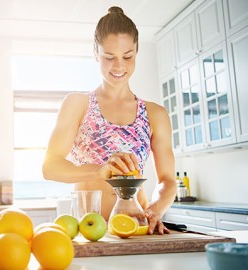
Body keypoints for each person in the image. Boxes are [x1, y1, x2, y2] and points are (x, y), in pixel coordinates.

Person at [42, 6, 177, 234]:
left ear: (136, 52)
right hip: (89, 231)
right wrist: (99, 171)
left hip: (137, 229)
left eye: (128, 56)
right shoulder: (78, 104)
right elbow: (50, 167)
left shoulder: (155, 114)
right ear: (96, 53)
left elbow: (168, 181)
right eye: (109, 57)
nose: (119, 66)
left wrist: (155, 210)